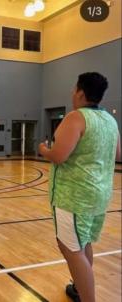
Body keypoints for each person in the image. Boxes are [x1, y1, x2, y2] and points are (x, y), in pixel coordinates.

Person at [38, 72, 121, 302]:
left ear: (81, 93)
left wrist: (44, 149)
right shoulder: (110, 120)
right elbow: (117, 153)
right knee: (83, 243)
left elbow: (59, 155)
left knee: (71, 249)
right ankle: (79, 287)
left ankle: (87, 297)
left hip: (74, 196)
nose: (72, 93)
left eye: (74, 89)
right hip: (100, 194)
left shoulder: (76, 118)